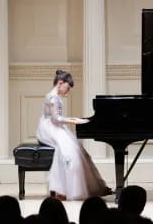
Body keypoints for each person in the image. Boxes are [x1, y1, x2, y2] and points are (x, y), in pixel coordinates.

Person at [36, 70, 112, 200]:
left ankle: (67, 188)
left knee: (76, 149)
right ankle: (62, 189)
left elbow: (58, 118)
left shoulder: (53, 96)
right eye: (67, 87)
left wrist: (73, 119)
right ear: (60, 83)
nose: (68, 91)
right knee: (69, 150)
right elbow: (56, 119)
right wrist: (74, 120)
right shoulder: (53, 98)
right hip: (49, 128)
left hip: (52, 125)